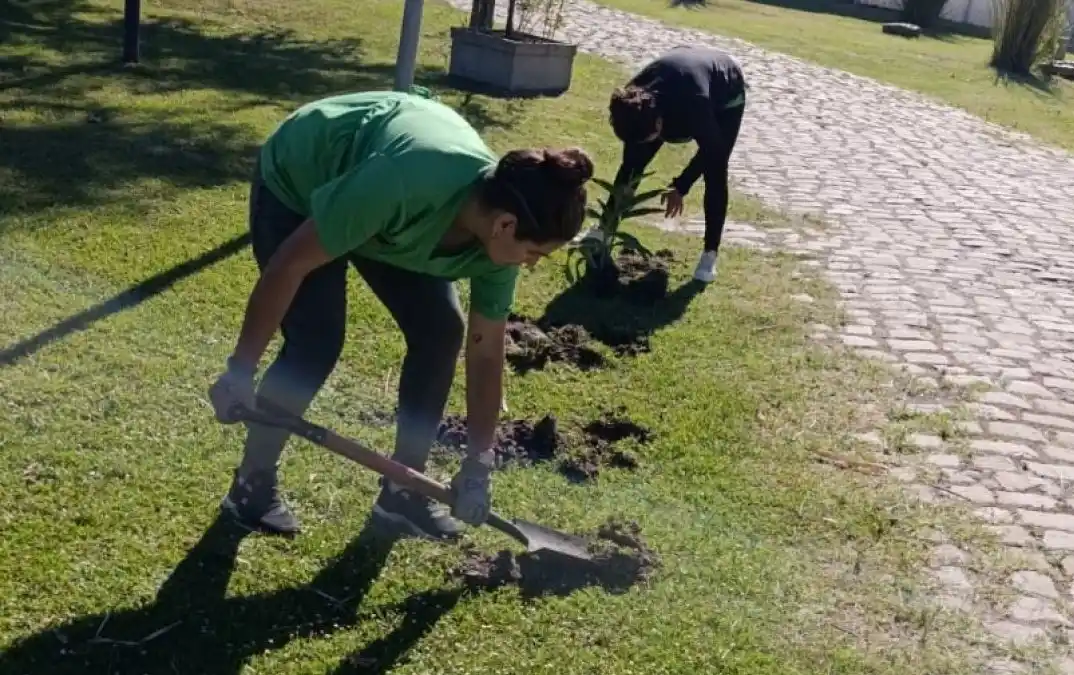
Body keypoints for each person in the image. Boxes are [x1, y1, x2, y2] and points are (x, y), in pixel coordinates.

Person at [207, 90, 593, 539]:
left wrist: (478, 463)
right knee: (316, 341)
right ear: (505, 225)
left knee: (440, 331)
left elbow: (485, 353)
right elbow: (290, 264)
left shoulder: (494, 248)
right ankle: (251, 485)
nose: (529, 264)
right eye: (534, 253)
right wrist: (240, 370)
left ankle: (404, 491)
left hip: (387, 214)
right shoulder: (407, 182)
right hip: (305, 176)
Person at [605, 46, 746, 284]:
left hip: (726, 90)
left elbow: (712, 152)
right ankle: (603, 232)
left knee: (716, 172)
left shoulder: (695, 105)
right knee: (632, 163)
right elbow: (632, 160)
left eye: (652, 136)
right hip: (676, 72)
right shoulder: (632, 100)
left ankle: (709, 256)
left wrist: (681, 185)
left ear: (659, 121)